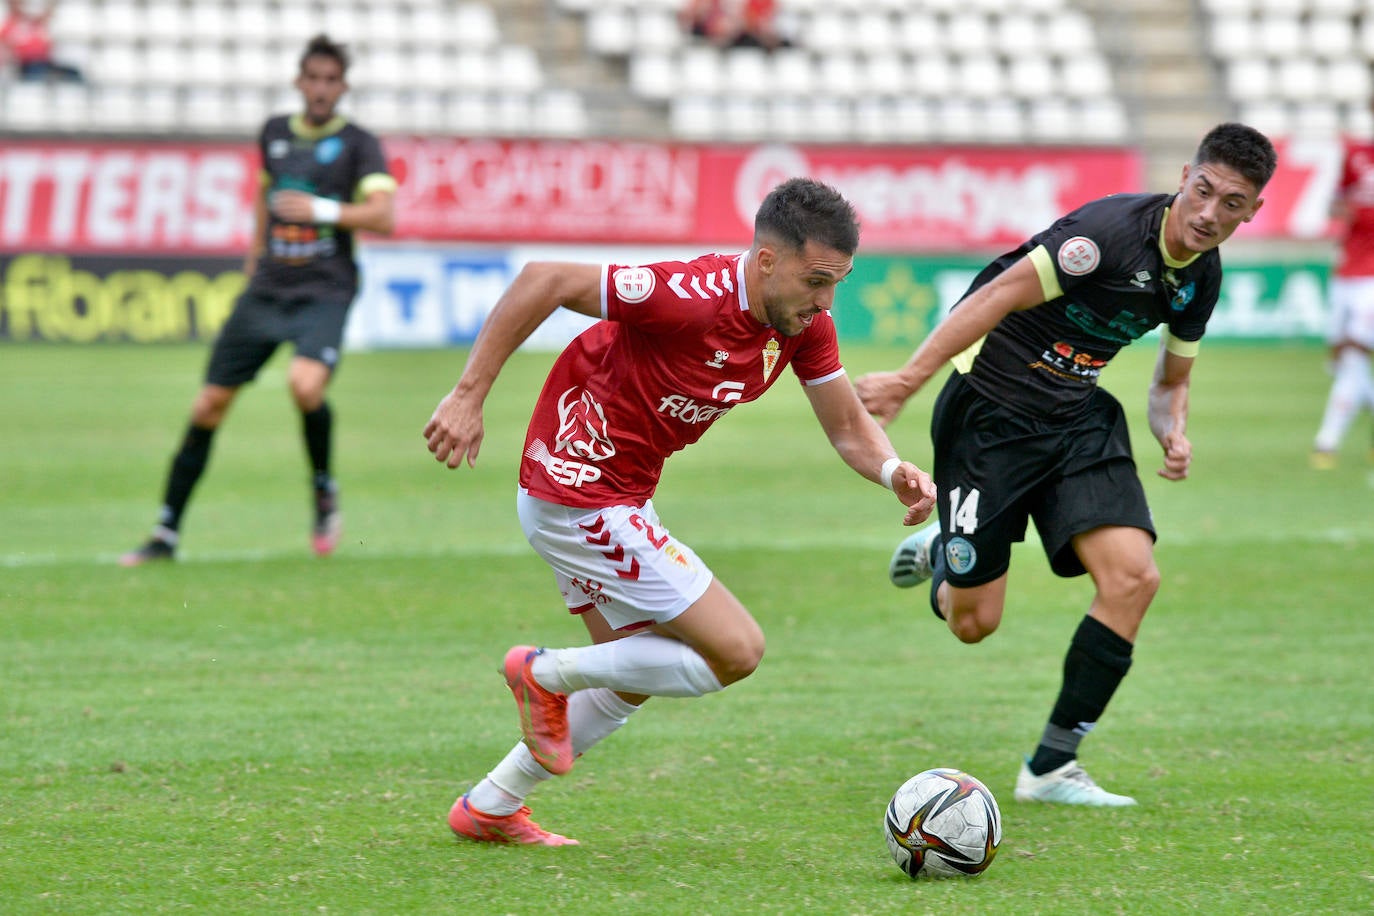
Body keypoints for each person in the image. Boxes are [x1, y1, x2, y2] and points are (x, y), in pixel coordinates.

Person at [424, 177, 937, 845]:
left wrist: (893, 469)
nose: (826, 300)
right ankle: (541, 672)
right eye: (816, 280)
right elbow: (543, 278)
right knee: (736, 651)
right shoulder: (688, 296)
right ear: (765, 262)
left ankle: (491, 805)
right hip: (581, 491)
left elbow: (845, 426)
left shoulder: (801, 323)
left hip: (610, 495)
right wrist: (468, 396)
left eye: (836, 282)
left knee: (635, 674)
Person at [856, 124, 1277, 807]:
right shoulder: (1105, 235)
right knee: (973, 623)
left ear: (1251, 212)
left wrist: (1175, 431)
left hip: (1078, 418)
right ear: (1184, 177)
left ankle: (1051, 766)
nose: (1210, 214)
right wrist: (909, 379)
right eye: (1204, 191)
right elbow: (994, 295)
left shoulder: (1202, 276)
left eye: (1232, 204)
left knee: (1135, 578)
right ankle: (945, 555)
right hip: (989, 415)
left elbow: (1171, 382)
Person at [120, 34, 396, 566]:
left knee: (305, 385)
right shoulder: (273, 132)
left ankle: (323, 488)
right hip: (268, 288)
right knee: (208, 405)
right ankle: (165, 533)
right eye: (312, 79)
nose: (320, 89)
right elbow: (264, 205)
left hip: (325, 288)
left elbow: (384, 216)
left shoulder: (360, 143)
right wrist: (253, 261)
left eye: (330, 80)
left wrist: (323, 211)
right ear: (299, 82)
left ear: (342, 86)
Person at [1311, 129, 1374, 468]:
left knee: (1353, 353)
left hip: (1372, 282)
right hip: (1346, 272)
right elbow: (1333, 203)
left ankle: (1327, 442)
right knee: (1340, 359)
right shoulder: (1356, 154)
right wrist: (1343, 208)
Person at [0, 0, 83, 82]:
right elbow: (8, 53)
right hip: (27, 66)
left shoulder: (31, 22)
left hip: (44, 62)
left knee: (73, 73)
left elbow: (46, 16)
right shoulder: (8, 27)